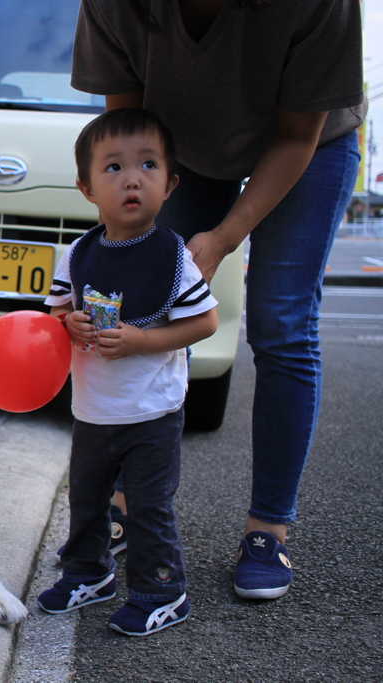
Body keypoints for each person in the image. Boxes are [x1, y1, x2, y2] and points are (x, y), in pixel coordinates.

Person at [71, 0, 365, 600]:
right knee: (139, 303)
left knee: (280, 322)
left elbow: (295, 133)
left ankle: (268, 528)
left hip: (306, 148)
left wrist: (225, 238)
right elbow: (126, 137)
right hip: (179, 151)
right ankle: (131, 500)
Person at [37, 108, 218, 636]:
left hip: (152, 410)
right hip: (93, 408)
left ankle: (163, 590)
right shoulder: (77, 255)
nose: (132, 177)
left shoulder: (173, 257)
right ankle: (89, 572)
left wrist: (142, 340)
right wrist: (68, 322)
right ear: (87, 188)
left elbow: (204, 322)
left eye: (147, 165)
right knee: (87, 497)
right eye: (113, 168)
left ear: (170, 184)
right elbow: (55, 315)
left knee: (147, 506)